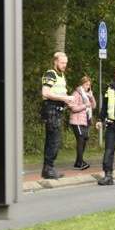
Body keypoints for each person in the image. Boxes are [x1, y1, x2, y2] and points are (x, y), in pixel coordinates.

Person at [40, 52, 74, 180]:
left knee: (54, 140)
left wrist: (69, 101)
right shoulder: (50, 73)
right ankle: (49, 168)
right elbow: (45, 92)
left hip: (58, 109)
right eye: (62, 63)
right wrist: (64, 98)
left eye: (66, 63)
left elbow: (61, 92)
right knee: (53, 140)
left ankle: (48, 168)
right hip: (51, 109)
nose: (64, 65)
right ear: (55, 61)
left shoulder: (61, 75)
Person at [67, 76, 96, 170]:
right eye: (86, 84)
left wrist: (91, 97)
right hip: (76, 121)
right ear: (82, 84)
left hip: (85, 120)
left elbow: (94, 106)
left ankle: (78, 161)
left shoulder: (88, 94)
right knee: (80, 140)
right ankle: (80, 162)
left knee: (84, 140)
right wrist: (85, 105)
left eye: (89, 85)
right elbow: (73, 108)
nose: (88, 86)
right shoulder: (76, 93)